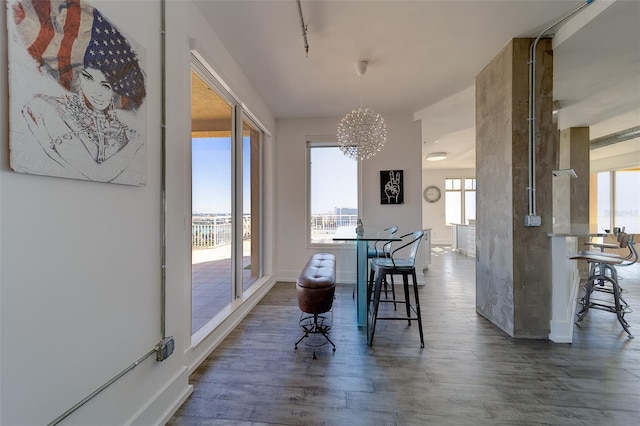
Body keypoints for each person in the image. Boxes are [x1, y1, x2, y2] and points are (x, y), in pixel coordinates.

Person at [9, 0, 147, 184]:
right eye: (89, 79)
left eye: (106, 86)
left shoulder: (131, 137)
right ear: (79, 78)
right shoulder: (43, 108)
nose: (97, 92)